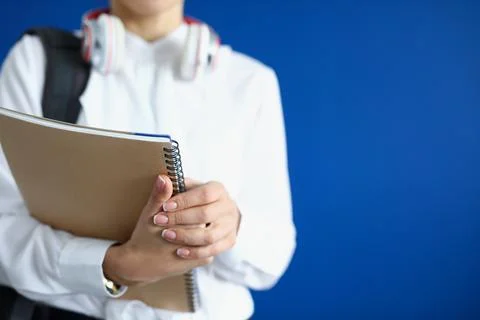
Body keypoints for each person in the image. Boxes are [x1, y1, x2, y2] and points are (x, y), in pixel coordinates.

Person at [0, 0, 296, 319]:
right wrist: (111, 265)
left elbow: (272, 259)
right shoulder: (38, 61)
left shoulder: (250, 82)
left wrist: (229, 228)